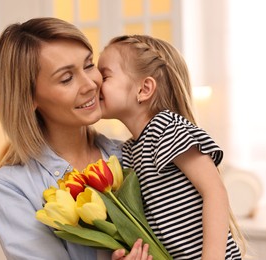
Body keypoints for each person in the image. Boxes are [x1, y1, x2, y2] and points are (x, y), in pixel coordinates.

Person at [0, 18, 152, 260]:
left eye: (88, 65)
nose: (90, 84)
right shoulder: (11, 189)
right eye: (66, 79)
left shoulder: (130, 155)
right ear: (29, 97)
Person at [98, 35, 246, 259]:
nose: (95, 82)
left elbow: (214, 192)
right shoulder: (129, 152)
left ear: (144, 89)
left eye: (105, 75)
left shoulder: (166, 128)